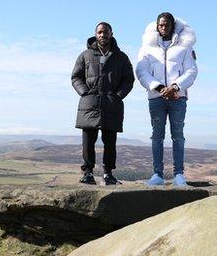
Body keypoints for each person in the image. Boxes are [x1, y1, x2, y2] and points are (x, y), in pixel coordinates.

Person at [136, 12, 198, 186]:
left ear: (173, 26)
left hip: (178, 98)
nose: (163, 28)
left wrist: (175, 87)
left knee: (178, 136)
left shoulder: (185, 47)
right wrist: (159, 87)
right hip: (156, 98)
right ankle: (158, 175)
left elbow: (191, 71)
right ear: (157, 26)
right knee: (157, 136)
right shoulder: (146, 48)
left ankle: (179, 174)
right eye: (161, 25)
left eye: (167, 25)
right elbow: (141, 71)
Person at [71, 22, 135, 185]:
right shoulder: (85, 55)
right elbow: (76, 77)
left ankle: (108, 174)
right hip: (89, 103)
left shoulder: (121, 57)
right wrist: (85, 92)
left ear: (111, 34)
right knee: (88, 141)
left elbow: (128, 80)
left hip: (111, 104)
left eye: (105, 32)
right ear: (95, 34)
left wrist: (118, 95)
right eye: (99, 32)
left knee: (110, 142)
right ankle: (88, 173)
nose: (102, 35)